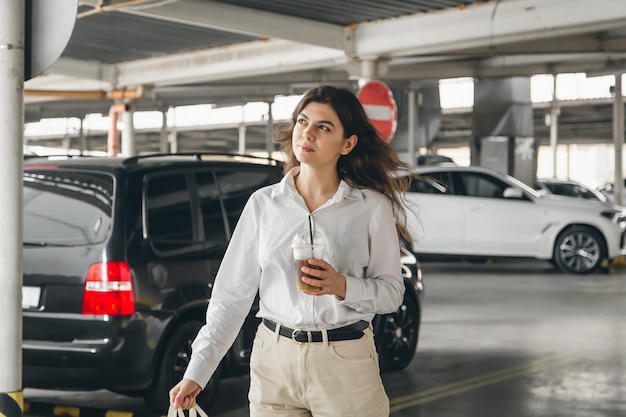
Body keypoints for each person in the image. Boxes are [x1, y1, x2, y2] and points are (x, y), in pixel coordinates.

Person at [169, 84, 412, 416]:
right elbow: (231, 297)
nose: (307, 133)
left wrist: (342, 286)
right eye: (302, 121)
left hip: (345, 361)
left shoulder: (371, 208)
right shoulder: (264, 205)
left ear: (348, 143)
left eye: (323, 127)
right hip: (274, 360)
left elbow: (392, 293)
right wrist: (198, 372)